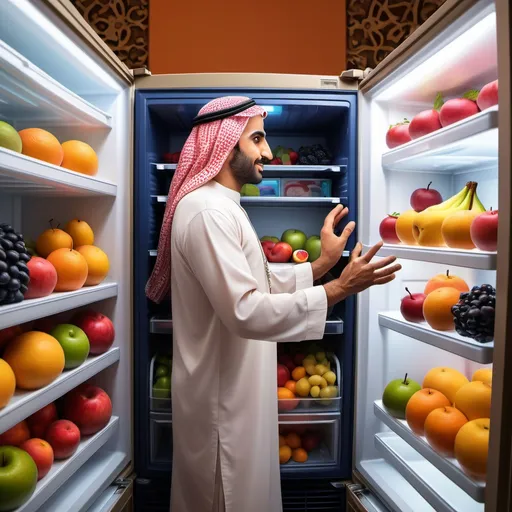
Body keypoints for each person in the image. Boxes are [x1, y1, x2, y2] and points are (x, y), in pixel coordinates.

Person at [146, 96, 401, 512]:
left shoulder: (223, 206)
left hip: (233, 391)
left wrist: (321, 265)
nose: (268, 152)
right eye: (258, 139)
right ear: (224, 145)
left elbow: (254, 283)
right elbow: (246, 310)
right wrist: (339, 289)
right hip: (222, 404)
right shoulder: (209, 212)